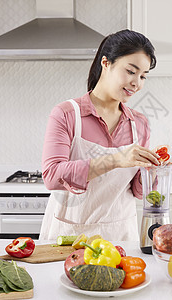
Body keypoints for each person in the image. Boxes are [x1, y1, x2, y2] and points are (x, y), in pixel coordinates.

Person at [39, 29, 160, 241]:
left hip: (121, 235)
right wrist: (117, 159)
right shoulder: (67, 114)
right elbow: (51, 176)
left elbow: (140, 192)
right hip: (70, 237)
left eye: (143, 76)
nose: (137, 83)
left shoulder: (139, 123)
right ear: (106, 63)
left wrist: (153, 171)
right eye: (131, 71)